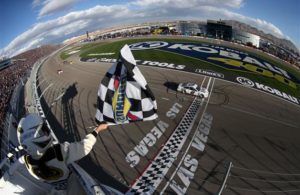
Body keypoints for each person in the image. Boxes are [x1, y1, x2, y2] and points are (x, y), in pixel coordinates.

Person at [16, 113, 108, 192]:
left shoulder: (27, 162)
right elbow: (84, 147)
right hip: (72, 185)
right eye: (43, 129)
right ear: (37, 139)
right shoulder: (59, 152)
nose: (46, 130)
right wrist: (97, 130)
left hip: (57, 189)